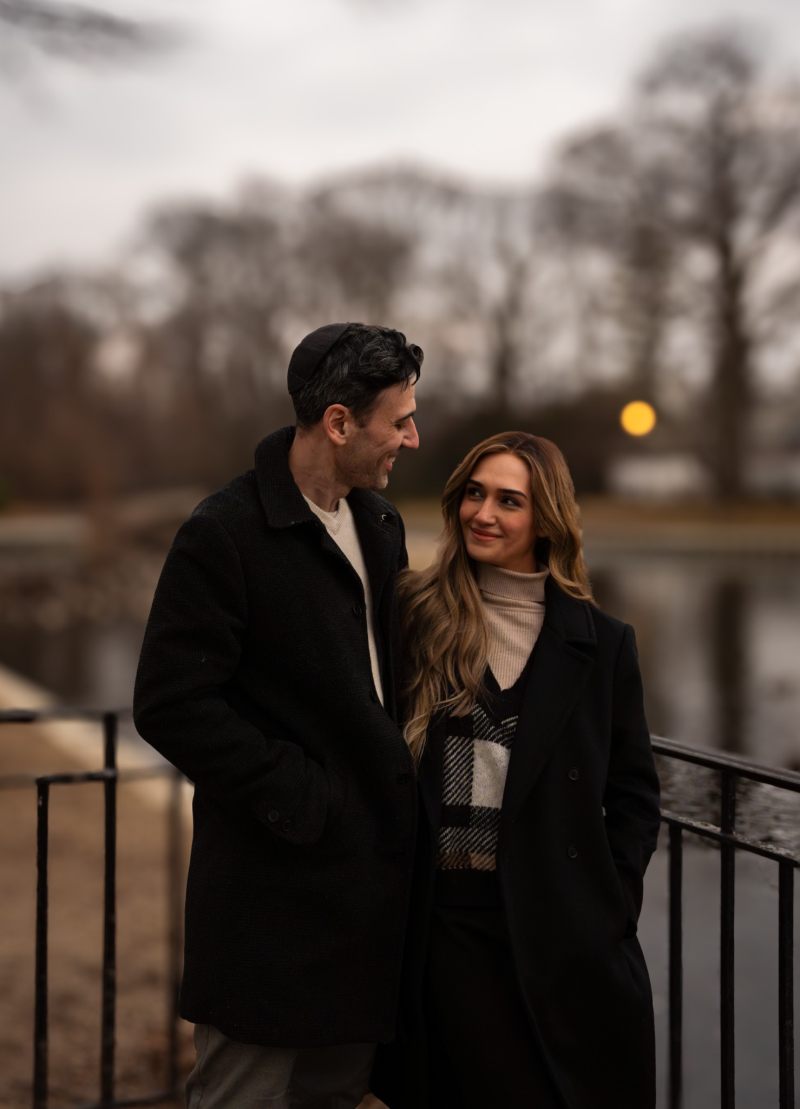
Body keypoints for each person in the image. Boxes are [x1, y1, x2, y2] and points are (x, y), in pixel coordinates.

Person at [133, 322, 423, 1109]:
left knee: (335, 1099)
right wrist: (304, 794)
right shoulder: (223, 532)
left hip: (364, 904)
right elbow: (169, 702)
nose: (413, 437)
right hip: (266, 898)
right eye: (399, 420)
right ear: (338, 422)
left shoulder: (382, 524)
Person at [372, 431, 661, 1109]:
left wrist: (610, 904)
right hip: (446, 930)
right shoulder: (414, 615)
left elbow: (635, 795)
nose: (484, 513)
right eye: (474, 493)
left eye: (509, 500)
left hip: (560, 930)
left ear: (546, 520)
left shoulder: (603, 643)